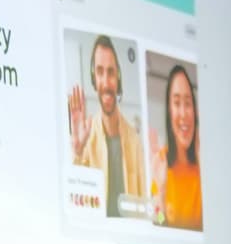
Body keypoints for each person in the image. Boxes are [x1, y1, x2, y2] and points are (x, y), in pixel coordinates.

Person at [69, 34, 146, 217]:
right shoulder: (86, 141)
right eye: (99, 72)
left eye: (111, 72)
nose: (105, 82)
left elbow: (145, 208)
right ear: (93, 78)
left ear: (118, 77)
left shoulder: (135, 141)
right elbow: (75, 206)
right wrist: (77, 152)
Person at [155, 63, 203, 230]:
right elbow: (158, 219)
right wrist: (160, 194)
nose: (183, 113)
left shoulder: (203, 164)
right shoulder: (160, 162)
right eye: (176, 103)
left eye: (188, 103)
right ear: (169, 111)